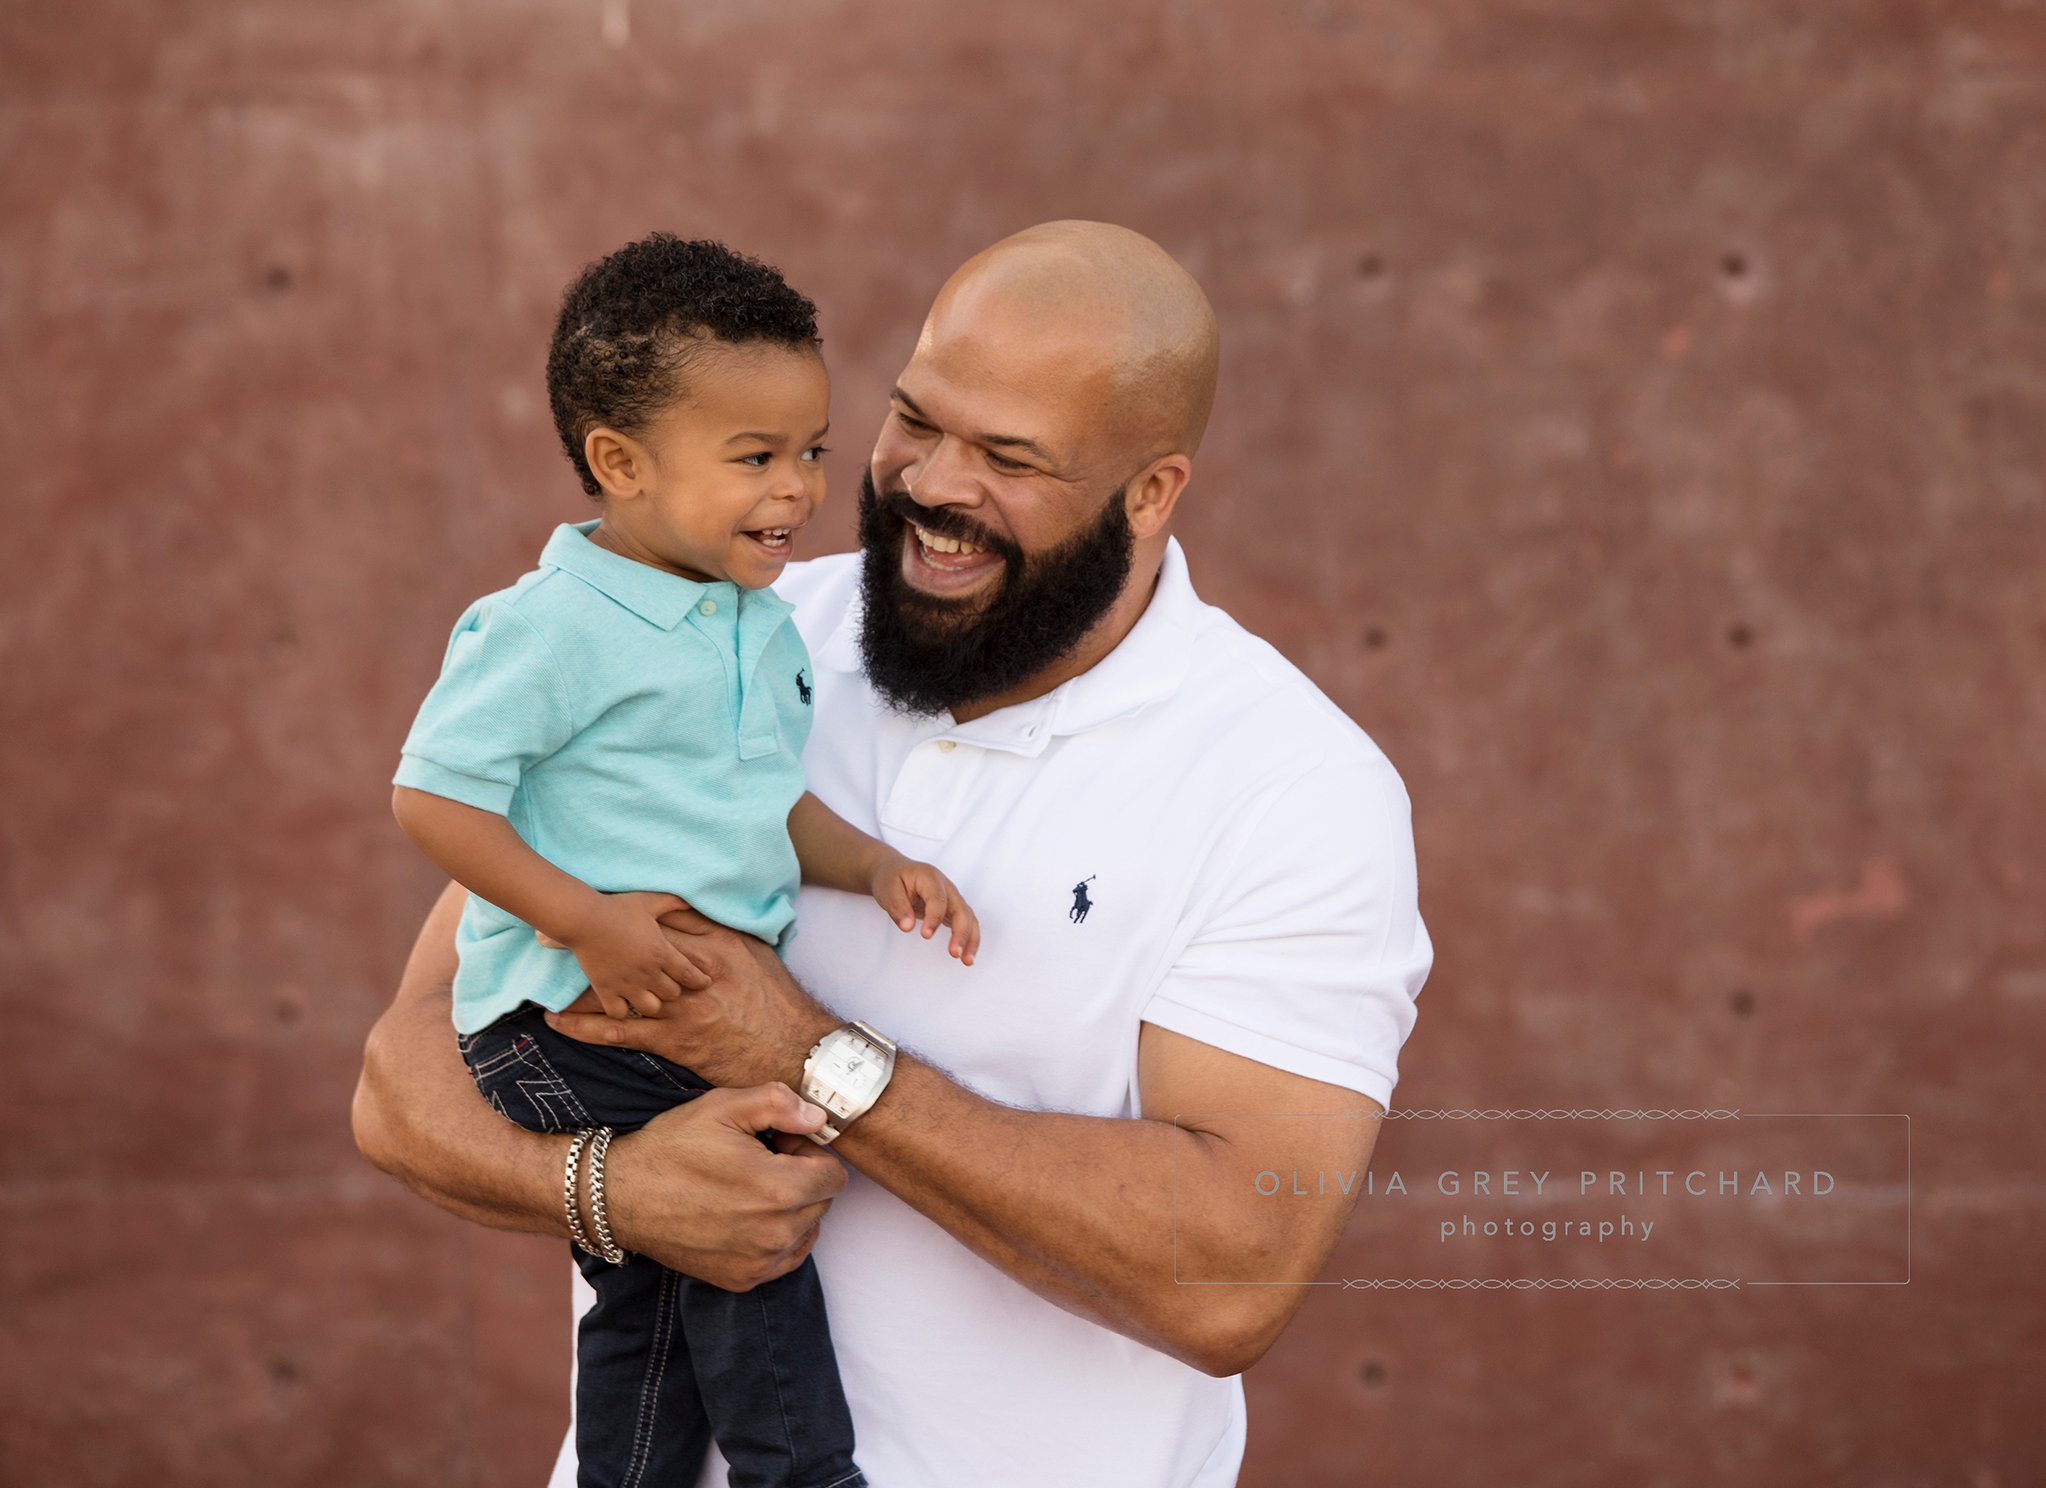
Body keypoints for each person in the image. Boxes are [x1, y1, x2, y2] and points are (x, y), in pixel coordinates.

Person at [354, 220, 1432, 1488]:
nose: (930, 483)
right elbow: (403, 1081)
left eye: (1009, 457)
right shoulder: (727, 623)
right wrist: (616, 1192)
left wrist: (810, 1057)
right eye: (917, 419)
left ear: (1151, 491)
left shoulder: (1292, 788)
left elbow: (1232, 1275)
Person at [389, 233, 978, 1488]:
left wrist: (872, 868)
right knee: (741, 1217)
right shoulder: (554, 625)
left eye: (813, 450)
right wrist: (586, 920)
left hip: (656, 1012)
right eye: (754, 458)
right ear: (621, 463)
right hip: (567, 1015)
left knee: (647, 1298)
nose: (798, 488)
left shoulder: (758, 626)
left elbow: (763, 810)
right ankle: (803, 1472)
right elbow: (435, 800)